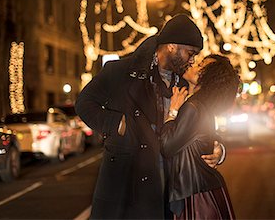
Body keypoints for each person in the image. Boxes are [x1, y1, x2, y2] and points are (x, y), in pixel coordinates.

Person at [75, 14, 225, 219]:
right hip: (125, 179)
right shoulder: (120, 72)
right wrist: (117, 124)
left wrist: (217, 148)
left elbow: (196, 126)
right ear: (172, 46)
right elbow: (84, 103)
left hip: (166, 185)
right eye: (190, 53)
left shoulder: (183, 83)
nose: (193, 60)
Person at [160, 54, 240, 220]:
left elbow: (167, 146)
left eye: (201, 65)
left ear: (208, 77)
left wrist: (172, 112)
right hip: (203, 190)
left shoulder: (193, 107)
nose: (194, 63)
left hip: (195, 195)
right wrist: (219, 149)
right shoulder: (201, 104)